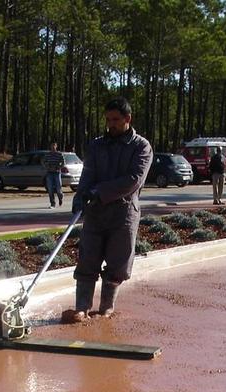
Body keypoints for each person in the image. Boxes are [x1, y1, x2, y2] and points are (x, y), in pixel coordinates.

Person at [64, 97, 153, 323]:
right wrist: (81, 198)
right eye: (108, 120)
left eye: (115, 120)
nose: (110, 124)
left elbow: (134, 180)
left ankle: (106, 308)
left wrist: (100, 191)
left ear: (127, 119)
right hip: (95, 213)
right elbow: (87, 175)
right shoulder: (96, 145)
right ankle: (82, 307)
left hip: (123, 214)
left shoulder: (141, 146)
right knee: (87, 259)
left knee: (117, 263)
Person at [44, 142, 65, 208]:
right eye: (52, 146)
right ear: (50, 147)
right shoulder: (47, 155)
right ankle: (52, 203)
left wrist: (59, 167)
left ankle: (60, 197)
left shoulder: (59, 154)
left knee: (58, 188)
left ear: (56, 146)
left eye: (54, 146)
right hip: (49, 173)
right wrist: (47, 166)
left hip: (57, 173)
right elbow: (43, 162)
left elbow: (63, 163)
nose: (53, 147)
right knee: (50, 189)